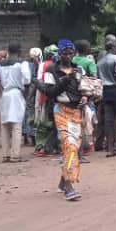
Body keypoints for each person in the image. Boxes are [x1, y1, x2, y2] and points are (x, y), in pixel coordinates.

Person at [43, 40, 87, 201]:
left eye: (70, 53)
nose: (68, 56)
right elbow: (50, 92)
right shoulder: (51, 70)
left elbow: (84, 88)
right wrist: (67, 79)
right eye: (65, 53)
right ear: (59, 54)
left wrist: (85, 97)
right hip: (60, 110)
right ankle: (69, 186)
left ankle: (63, 181)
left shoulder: (79, 69)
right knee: (68, 146)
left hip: (76, 112)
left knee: (74, 147)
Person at [0, 43, 31, 162]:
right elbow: (27, 79)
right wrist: (26, 94)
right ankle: (15, 155)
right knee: (16, 126)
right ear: (19, 51)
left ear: (8, 51)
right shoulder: (22, 63)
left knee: (5, 125)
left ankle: (5, 155)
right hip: (17, 93)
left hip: (4, 94)